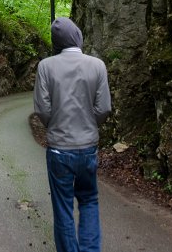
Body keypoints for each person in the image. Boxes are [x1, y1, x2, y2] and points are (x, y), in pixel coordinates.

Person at [33, 17, 112, 252]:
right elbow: (104, 108)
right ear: (77, 35)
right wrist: (89, 124)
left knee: (63, 207)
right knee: (89, 200)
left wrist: (55, 126)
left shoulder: (45, 66)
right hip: (88, 147)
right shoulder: (97, 65)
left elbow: (42, 109)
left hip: (59, 149)